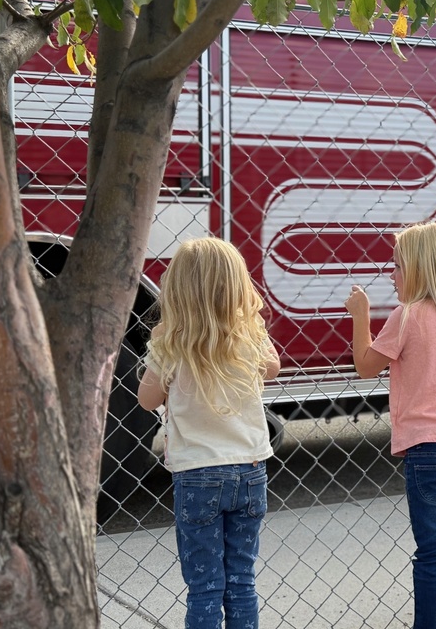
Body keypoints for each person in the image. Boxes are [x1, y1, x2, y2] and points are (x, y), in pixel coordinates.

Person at [344, 221, 436, 629]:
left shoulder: (405, 316)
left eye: (397, 266)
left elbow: (364, 366)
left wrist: (360, 316)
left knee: (431, 553)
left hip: (428, 452)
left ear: (422, 269)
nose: (391, 275)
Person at [137, 237, 280, 629]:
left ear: (177, 290)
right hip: (249, 471)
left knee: (204, 586)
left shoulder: (172, 342)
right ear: (236, 286)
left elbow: (147, 399)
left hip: (198, 474)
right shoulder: (247, 334)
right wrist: (248, 325)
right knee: (241, 581)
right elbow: (273, 369)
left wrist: (159, 346)